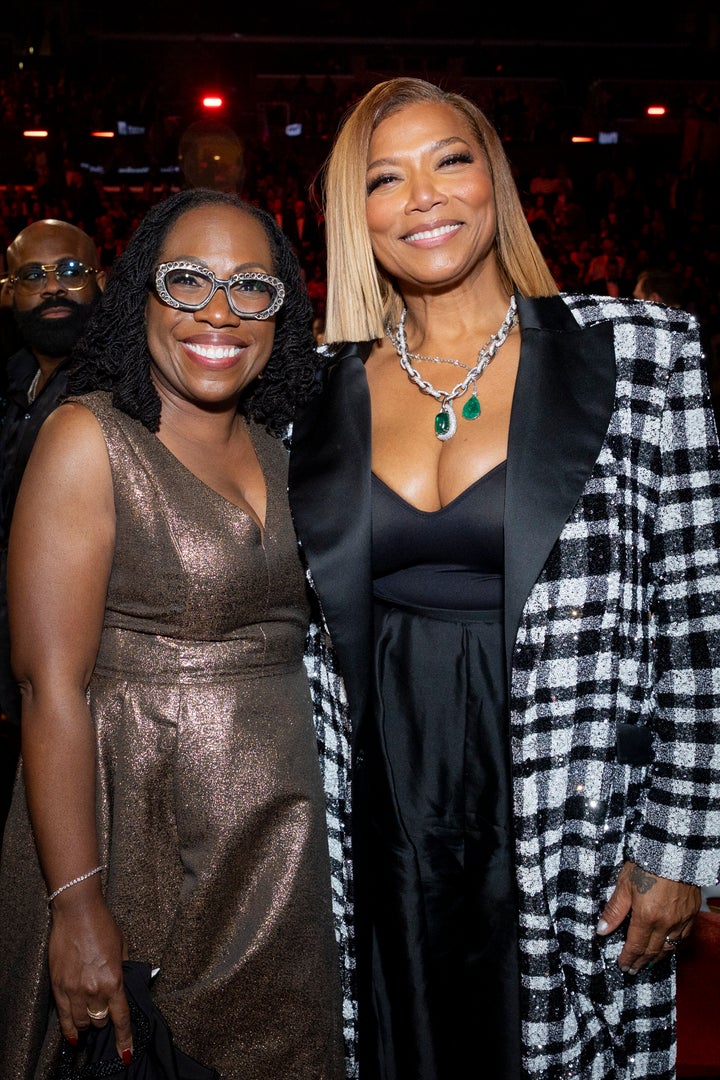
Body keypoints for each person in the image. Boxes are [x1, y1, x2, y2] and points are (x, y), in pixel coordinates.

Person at [288, 78, 720, 1079]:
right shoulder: (314, 388)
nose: (424, 197)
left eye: (450, 160)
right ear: (357, 216)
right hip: (380, 811)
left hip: (572, 814)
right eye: (384, 179)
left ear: (497, 179)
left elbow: (700, 622)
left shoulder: (643, 353)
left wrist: (681, 847)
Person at [0, 188, 355, 1079]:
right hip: (137, 842)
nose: (218, 314)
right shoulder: (90, 439)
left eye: (251, 290)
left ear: (283, 313)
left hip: (279, 854)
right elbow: (50, 687)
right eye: (188, 280)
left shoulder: (283, 446)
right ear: (141, 297)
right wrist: (78, 907)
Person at [0, 219, 106, 839]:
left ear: (99, 280)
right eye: (32, 276)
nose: (53, 288)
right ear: (7, 291)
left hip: (86, 686)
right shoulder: (16, 381)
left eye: (69, 272)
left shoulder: (120, 387)